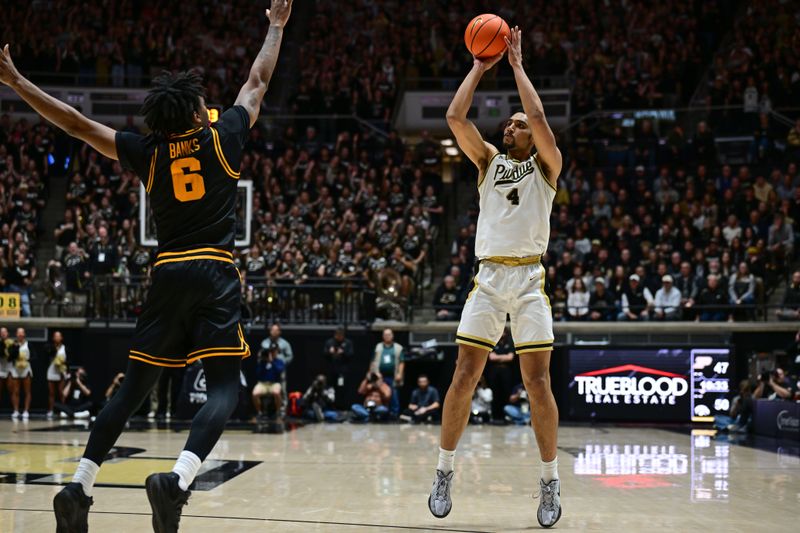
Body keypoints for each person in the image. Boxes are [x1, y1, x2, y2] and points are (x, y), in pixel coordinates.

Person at [0, 2, 293, 529]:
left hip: (166, 273)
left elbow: (73, 122)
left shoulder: (147, 151)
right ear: (194, 108)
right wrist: (275, 26)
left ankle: (79, 483)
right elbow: (257, 80)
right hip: (212, 269)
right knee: (226, 386)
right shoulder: (222, 135)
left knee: (133, 389)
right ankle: (176, 480)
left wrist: (17, 80)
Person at [431, 27, 563, 527]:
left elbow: (539, 116)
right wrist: (480, 67)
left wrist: (516, 66)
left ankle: (550, 482)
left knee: (537, 382)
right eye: (507, 125)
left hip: (529, 281)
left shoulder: (547, 166)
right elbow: (454, 117)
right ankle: (444, 469)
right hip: (487, 280)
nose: (510, 128)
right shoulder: (487, 161)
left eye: (517, 125)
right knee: (464, 374)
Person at [371, 328, 405, 416]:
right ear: (383, 336)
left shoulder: (398, 347)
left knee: (394, 395)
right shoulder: (378, 347)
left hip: (393, 377)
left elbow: (401, 362)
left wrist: (399, 374)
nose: (387, 336)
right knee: (380, 395)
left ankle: (394, 414)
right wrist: (374, 373)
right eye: (385, 335)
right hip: (380, 377)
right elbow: (373, 361)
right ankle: (380, 413)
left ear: (392, 336)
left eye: (389, 334)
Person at [252, 343, 285, 419]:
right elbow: (258, 373)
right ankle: (259, 412)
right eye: (271, 351)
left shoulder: (279, 361)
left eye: (274, 351)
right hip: (263, 384)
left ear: (277, 352)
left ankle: (278, 412)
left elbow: (279, 371)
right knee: (255, 393)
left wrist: (272, 362)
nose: (273, 353)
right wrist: (262, 360)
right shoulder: (262, 362)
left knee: (276, 393)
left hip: (274, 383)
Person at [323, 327, 353, 408]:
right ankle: (330, 406)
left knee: (341, 388)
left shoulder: (347, 343)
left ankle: (342, 407)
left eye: (341, 336)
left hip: (342, 372)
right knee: (330, 389)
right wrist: (329, 352)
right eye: (337, 335)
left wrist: (343, 352)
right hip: (331, 371)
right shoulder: (330, 342)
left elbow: (351, 355)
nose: (339, 337)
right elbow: (324, 354)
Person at [9, 327, 32, 420]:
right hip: (16, 369)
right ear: (16, 334)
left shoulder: (28, 344)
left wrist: (26, 361)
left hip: (26, 369)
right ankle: (16, 410)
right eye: (18, 333)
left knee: (27, 391)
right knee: (16, 391)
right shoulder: (13, 344)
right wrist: (16, 347)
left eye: (22, 333)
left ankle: (26, 411)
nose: (20, 335)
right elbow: (10, 357)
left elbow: (34, 356)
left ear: (24, 334)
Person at [46, 331, 68, 420]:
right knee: (51, 393)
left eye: (59, 336)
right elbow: (47, 355)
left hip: (61, 371)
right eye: (56, 336)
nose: (57, 338)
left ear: (61, 338)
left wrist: (62, 363)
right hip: (52, 370)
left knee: (61, 392)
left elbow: (68, 360)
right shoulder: (50, 347)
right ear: (53, 338)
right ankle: (51, 410)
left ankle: (63, 410)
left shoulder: (65, 348)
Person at [0, 327, 12, 406]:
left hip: (10, 369)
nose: (3, 333)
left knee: (12, 391)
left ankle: (16, 411)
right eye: (2, 332)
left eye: (5, 332)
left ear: (8, 333)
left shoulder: (12, 343)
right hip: (0, 368)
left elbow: (13, 355)